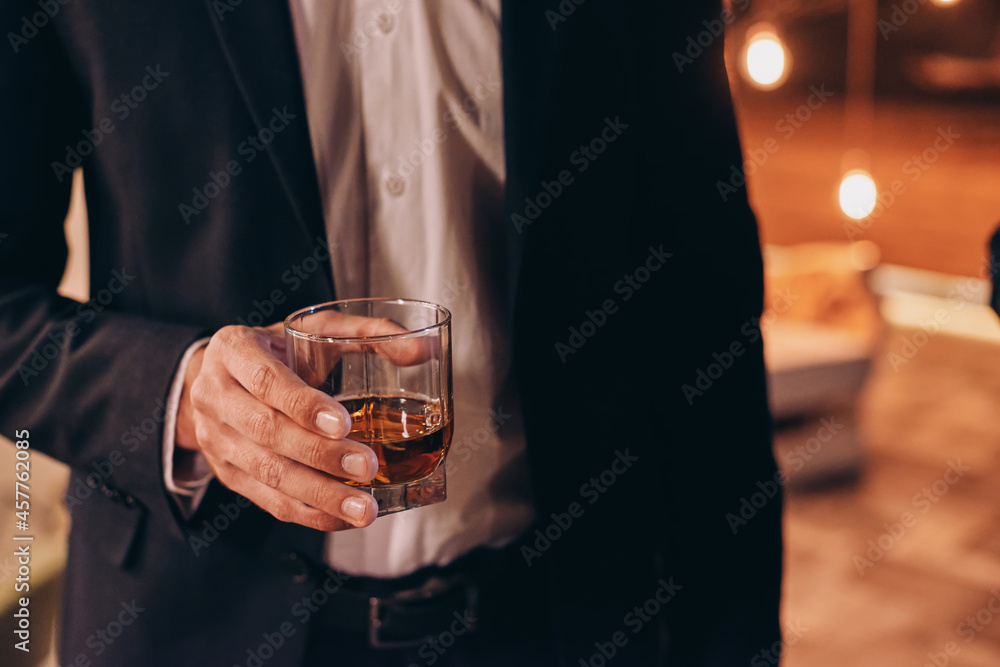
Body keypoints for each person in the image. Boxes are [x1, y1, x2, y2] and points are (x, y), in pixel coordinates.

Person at [0, 1, 783, 664]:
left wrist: (736, 638)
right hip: (193, 624)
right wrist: (180, 394)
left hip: (562, 616)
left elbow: (703, 303)